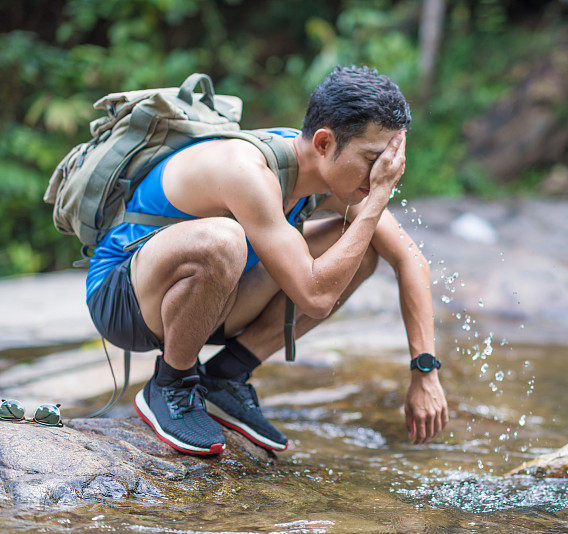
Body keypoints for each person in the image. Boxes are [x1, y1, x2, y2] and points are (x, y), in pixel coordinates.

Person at [85, 65, 449, 455]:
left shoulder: (325, 176)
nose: (383, 174)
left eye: (389, 163)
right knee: (224, 240)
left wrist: (424, 370)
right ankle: (172, 384)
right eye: (373, 159)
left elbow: (411, 260)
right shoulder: (247, 170)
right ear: (324, 144)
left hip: (211, 302)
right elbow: (316, 297)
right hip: (124, 299)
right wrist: (377, 198)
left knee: (360, 249)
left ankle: (225, 377)